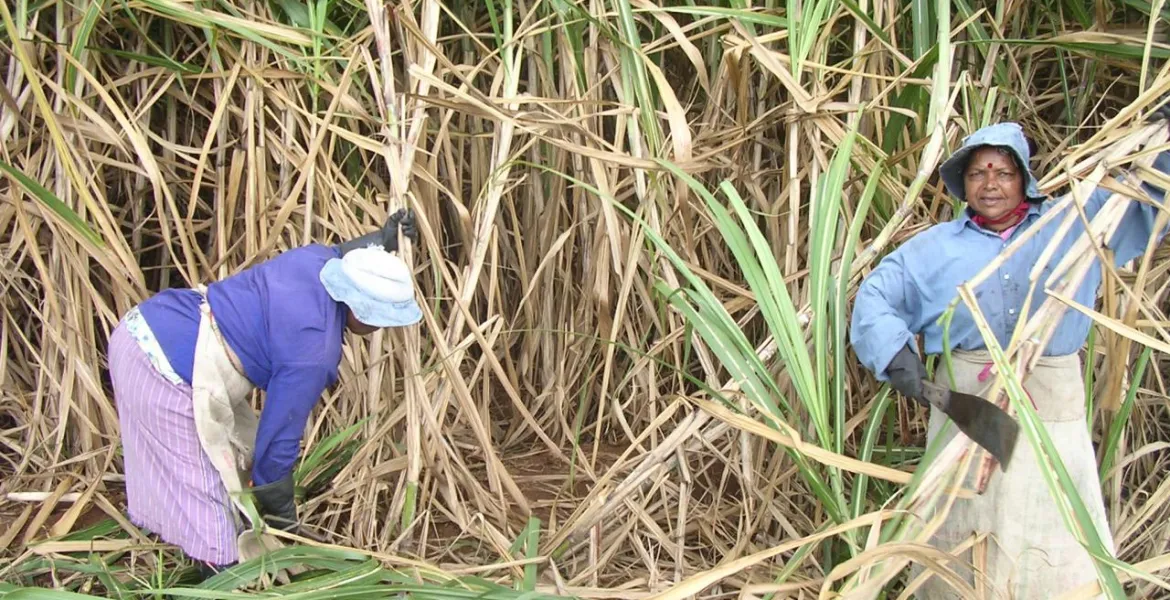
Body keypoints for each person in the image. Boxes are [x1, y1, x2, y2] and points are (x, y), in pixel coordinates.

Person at [850, 113, 1170, 598]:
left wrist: (1161, 141)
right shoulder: (933, 250)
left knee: (1053, 532)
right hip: (965, 409)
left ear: (1024, 177)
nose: (990, 184)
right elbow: (875, 297)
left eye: (1003, 172)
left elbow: (1152, 199)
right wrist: (900, 364)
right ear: (963, 184)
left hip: (1051, 404)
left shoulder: (1077, 220)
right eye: (978, 173)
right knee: (961, 532)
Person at [106, 209, 423, 578]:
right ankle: (218, 580)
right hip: (161, 365)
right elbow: (275, 449)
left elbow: (341, 254)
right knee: (209, 500)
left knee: (218, 478)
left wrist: (382, 240)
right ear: (365, 313)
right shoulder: (313, 352)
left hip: (149, 321)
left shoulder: (315, 262)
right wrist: (285, 529)